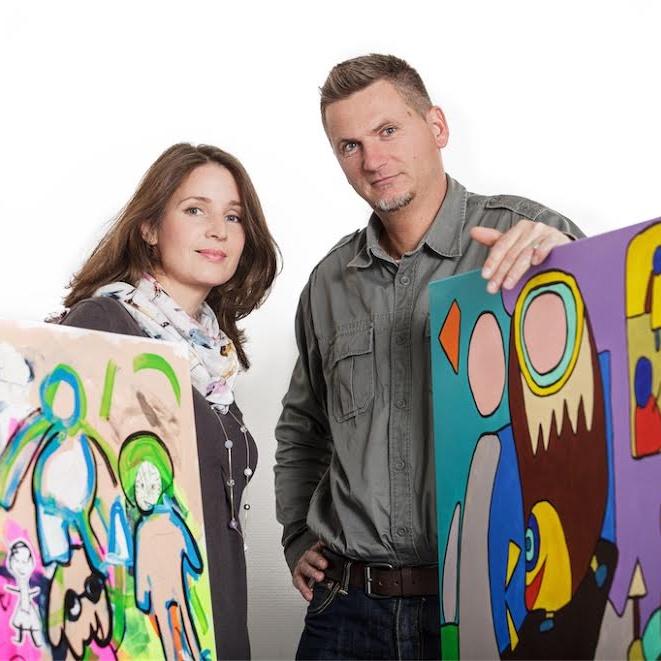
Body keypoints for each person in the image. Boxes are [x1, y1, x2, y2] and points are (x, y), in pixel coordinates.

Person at [274, 54, 584, 660]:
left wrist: (573, 267)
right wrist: (294, 537)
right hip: (347, 611)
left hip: (492, 602)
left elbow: (604, 384)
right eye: (349, 145)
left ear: (437, 126)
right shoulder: (329, 283)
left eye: (388, 130)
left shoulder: (531, 239)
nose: (372, 159)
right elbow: (303, 427)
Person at [60, 142, 279, 659]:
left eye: (233, 216)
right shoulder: (105, 328)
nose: (218, 230)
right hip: (142, 637)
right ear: (150, 228)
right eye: (195, 210)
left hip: (217, 626)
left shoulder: (213, 364)